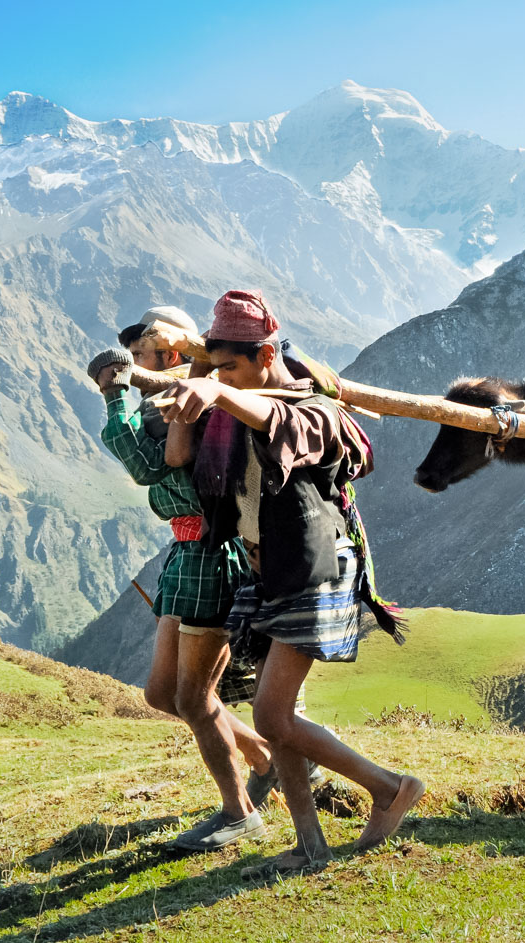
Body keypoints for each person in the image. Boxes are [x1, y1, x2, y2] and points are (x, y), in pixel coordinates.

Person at [162, 289, 422, 873]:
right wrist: (204, 376)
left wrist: (218, 389)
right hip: (267, 567)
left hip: (314, 568)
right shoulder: (228, 408)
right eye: (218, 363)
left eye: (233, 364)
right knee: (272, 715)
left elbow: (277, 420)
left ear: (265, 356)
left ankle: (389, 788)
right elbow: (179, 451)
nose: (223, 376)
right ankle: (310, 844)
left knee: (272, 716)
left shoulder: (316, 410)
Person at [86, 305, 272, 852]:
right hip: (186, 552)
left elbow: (144, 467)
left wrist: (113, 392)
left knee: (193, 697)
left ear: (169, 357)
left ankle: (239, 812)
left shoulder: (180, 408)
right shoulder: (174, 405)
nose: (133, 366)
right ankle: (268, 756)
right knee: (161, 693)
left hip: (211, 554)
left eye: (139, 357)